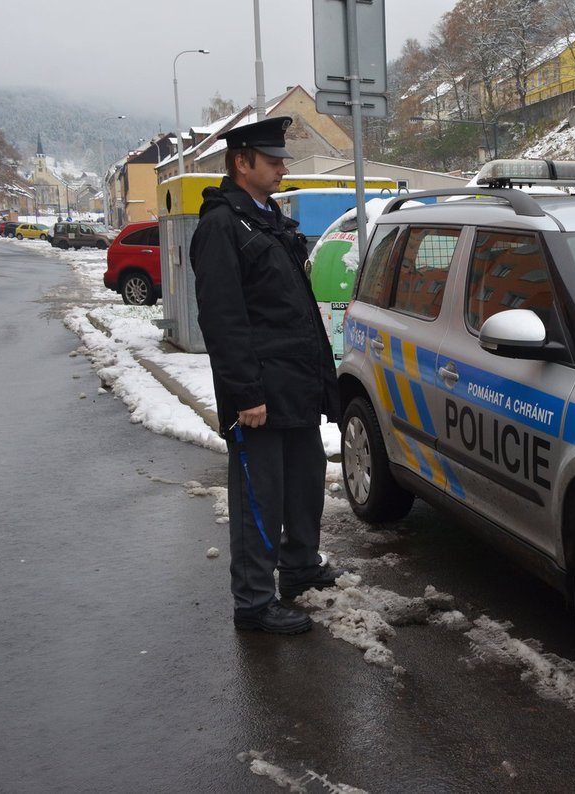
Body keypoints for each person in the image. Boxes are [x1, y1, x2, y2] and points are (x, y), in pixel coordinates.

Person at [190, 116, 343, 635]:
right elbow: (223, 320)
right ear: (242, 162)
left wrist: (326, 379)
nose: (282, 168)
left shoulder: (267, 217)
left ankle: (299, 568)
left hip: (295, 386)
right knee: (261, 497)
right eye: (273, 160)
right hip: (259, 395)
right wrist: (245, 394)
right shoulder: (220, 227)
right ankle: (254, 602)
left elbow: (295, 308)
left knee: (304, 486)